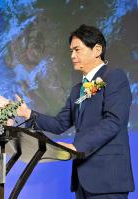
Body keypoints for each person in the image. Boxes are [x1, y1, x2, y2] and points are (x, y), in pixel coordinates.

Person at [16, 24, 135, 199]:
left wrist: (76, 146)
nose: (72, 56)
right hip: (82, 181)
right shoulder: (76, 90)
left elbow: (113, 122)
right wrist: (28, 114)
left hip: (108, 179)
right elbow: (59, 124)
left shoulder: (114, 77)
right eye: (71, 51)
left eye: (77, 50)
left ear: (97, 50)